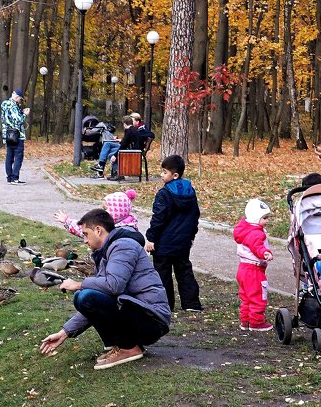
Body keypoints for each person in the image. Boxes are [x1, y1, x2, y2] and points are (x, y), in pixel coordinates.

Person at [40, 208, 171, 369]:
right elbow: (99, 299)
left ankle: (128, 348)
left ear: (98, 230)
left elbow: (113, 285)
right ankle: (121, 345)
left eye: (86, 234)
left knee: (84, 295)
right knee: (83, 297)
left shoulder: (123, 246)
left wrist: (79, 284)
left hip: (152, 320)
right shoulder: (108, 251)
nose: (85, 241)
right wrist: (64, 333)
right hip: (141, 315)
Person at [145, 154, 203, 312]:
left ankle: (165, 303)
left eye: (164, 172)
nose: (161, 175)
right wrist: (191, 236)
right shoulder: (190, 192)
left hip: (164, 243)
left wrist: (151, 238)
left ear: (175, 175)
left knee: (162, 273)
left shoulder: (164, 194)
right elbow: (194, 216)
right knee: (184, 270)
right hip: (182, 242)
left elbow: (158, 218)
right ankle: (191, 303)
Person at [234, 199, 274, 332]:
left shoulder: (244, 229)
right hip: (254, 270)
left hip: (243, 268)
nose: (267, 221)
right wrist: (265, 253)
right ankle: (256, 322)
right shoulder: (256, 233)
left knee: (245, 297)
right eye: (264, 218)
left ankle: (245, 321)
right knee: (257, 296)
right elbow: (257, 247)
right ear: (256, 218)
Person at [1, 89, 30, 185]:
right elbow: (18, 120)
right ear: (18, 97)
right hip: (17, 135)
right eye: (20, 99)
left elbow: (8, 117)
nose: (20, 101)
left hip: (7, 134)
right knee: (18, 156)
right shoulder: (13, 105)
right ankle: (15, 178)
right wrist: (25, 114)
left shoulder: (5, 104)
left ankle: (9, 177)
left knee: (9, 156)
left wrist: (20, 111)